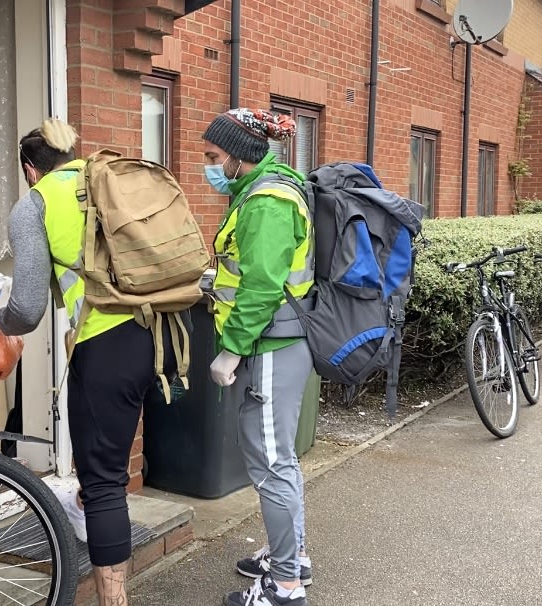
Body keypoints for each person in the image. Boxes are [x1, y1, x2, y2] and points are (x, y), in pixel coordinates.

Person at [0, 118, 177, 606]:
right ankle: (82, 507)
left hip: (105, 344)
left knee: (105, 482)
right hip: (160, 334)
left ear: (31, 169)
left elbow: (26, 310)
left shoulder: (36, 202)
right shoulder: (106, 177)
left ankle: (115, 601)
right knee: (106, 468)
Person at [203, 108, 314, 606]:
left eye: (212, 156)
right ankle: (292, 558)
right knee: (280, 460)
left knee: (271, 464)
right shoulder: (260, 191)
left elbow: (263, 286)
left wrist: (229, 352)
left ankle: (286, 586)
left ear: (239, 155)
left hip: (271, 343)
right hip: (274, 343)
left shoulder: (268, 201)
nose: (208, 166)